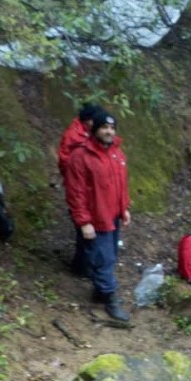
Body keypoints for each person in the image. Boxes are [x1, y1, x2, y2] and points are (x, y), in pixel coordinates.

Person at [65, 111, 132, 321]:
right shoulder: (81, 156)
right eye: (104, 127)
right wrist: (83, 222)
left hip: (112, 215)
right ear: (95, 129)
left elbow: (120, 184)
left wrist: (124, 208)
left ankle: (99, 291)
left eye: (112, 128)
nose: (109, 131)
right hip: (96, 217)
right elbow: (76, 192)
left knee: (109, 254)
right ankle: (110, 298)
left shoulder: (116, 153)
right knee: (105, 259)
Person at [57, 103, 105, 277]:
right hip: (80, 188)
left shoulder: (87, 134)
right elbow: (65, 162)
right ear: (88, 120)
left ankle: (85, 264)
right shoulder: (74, 136)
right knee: (83, 229)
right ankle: (81, 267)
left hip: (91, 189)